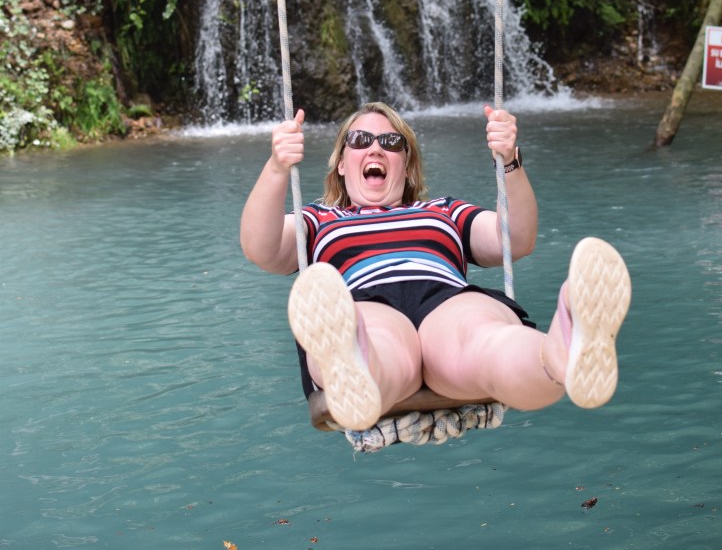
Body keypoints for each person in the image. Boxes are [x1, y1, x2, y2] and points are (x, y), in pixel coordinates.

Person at [240, 101, 631, 432]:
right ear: (342, 163)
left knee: (485, 339)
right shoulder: (317, 219)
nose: (376, 149)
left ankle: (565, 354)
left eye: (391, 142)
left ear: (406, 164)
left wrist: (510, 161)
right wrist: (277, 167)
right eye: (360, 140)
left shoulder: (443, 211)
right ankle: (353, 366)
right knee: (379, 343)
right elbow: (261, 247)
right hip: (363, 303)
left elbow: (515, 238)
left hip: (446, 297)